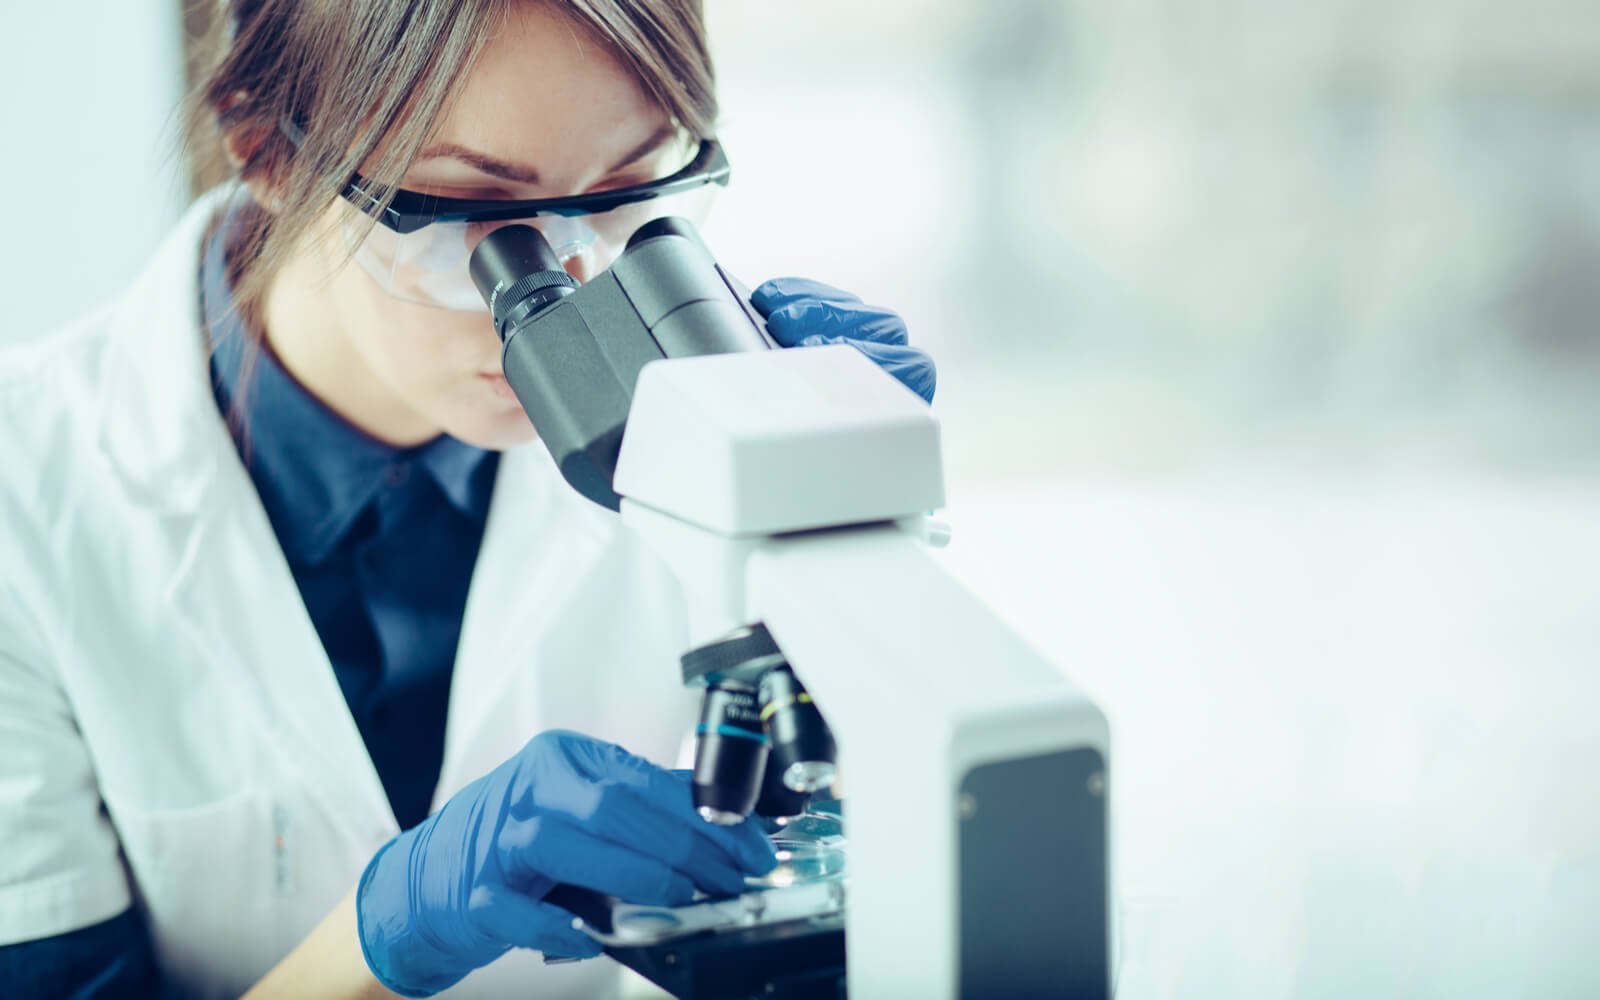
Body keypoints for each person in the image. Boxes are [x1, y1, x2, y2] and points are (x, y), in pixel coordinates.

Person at [0, 0, 935, 997]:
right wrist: (371, 944)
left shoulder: (696, 414)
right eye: (473, 213)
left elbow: (876, 853)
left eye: (627, 188)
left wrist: (852, 532)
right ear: (265, 148)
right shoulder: (29, 494)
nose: (571, 283)